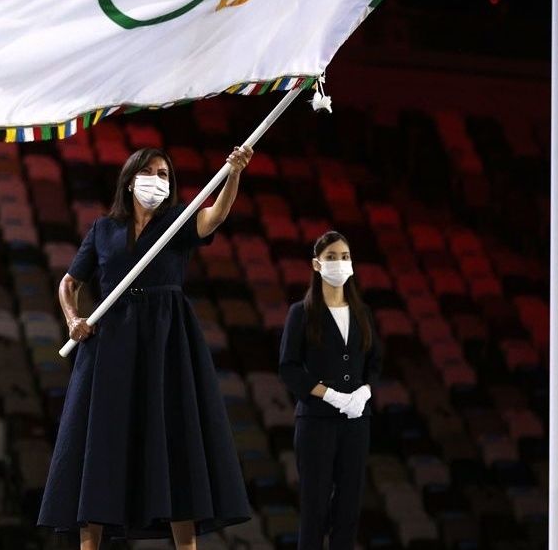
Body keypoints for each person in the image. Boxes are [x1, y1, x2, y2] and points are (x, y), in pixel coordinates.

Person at [38, 146, 254, 549]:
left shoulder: (177, 221)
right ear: (130, 177)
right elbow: (69, 283)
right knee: (99, 442)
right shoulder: (103, 229)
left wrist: (233, 176)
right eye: (150, 171)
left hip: (166, 341)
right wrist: (73, 320)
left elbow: (213, 218)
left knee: (174, 437)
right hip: (111, 343)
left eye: (165, 174)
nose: (157, 179)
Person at [278, 231, 382, 550]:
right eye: (332, 257)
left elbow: (374, 362)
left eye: (345, 257)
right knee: (315, 509)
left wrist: (364, 393)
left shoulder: (363, 313)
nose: (340, 263)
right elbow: (289, 367)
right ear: (317, 264)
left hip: (355, 423)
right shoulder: (302, 312)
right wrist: (330, 394)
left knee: (349, 509)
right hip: (316, 422)